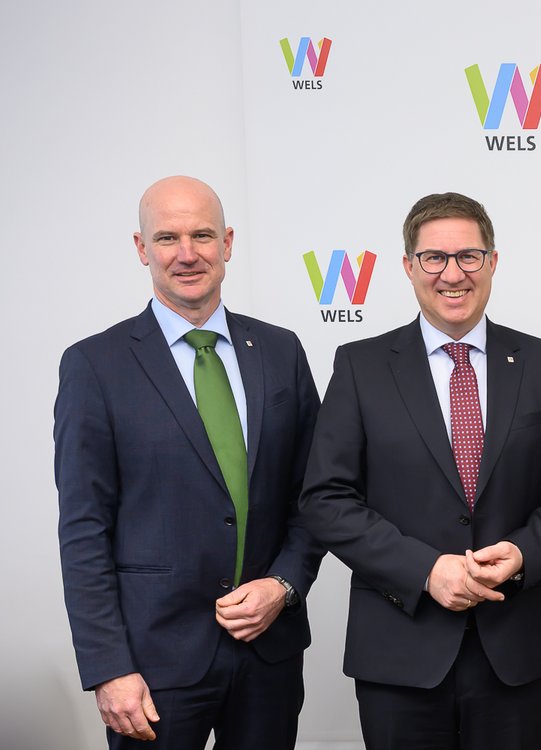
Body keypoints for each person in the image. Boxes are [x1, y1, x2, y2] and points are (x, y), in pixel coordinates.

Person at [298, 192, 541, 749]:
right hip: (400, 648)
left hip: (514, 648)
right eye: (434, 257)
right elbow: (326, 499)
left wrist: (522, 554)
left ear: (493, 262)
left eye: (469, 256)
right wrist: (424, 570)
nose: (452, 274)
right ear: (408, 266)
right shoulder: (361, 366)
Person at [56, 176, 323, 748]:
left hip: (269, 654)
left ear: (227, 242)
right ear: (141, 248)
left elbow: (315, 495)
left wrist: (283, 584)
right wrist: (108, 666)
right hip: (151, 665)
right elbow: (83, 528)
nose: (186, 254)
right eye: (167, 238)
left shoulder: (281, 351)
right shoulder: (94, 365)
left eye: (202, 235)